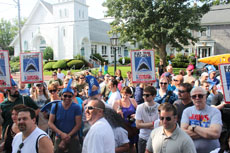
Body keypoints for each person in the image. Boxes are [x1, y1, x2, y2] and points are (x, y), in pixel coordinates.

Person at [181, 86, 222, 153]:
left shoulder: (215, 111)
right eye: (194, 96)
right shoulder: (187, 111)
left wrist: (193, 127)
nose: (197, 98)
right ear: (191, 98)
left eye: (200, 96)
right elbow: (183, 134)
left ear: (205, 97)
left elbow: (215, 134)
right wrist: (207, 132)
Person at [48, 79, 82, 153]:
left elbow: (78, 124)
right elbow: (50, 123)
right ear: (62, 96)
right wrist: (61, 134)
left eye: (69, 96)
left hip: (73, 138)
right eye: (65, 96)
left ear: (72, 96)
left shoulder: (76, 107)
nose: (67, 98)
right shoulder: (55, 106)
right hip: (59, 138)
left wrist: (68, 136)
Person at [135, 86, 159, 153]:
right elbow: (137, 125)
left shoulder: (159, 107)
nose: (144, 97)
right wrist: (154, 123)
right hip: (143, 138)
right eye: (143, 95)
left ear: (154, 95)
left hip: (155, 138)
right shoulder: (140, 107)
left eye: (147, 95)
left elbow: (160, 125)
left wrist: (143, 124)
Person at [113, 87, 138, 153]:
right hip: (123, 128)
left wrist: (136, 115)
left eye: (126, 95)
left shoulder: (132, 100)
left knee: (132, 145)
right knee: (124, 146)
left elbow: (139, 111)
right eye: (123, 94)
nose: (124, 96)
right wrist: (118, 113)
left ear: (130, 94)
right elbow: (113, 116)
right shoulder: (117, 103)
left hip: (132, 127)